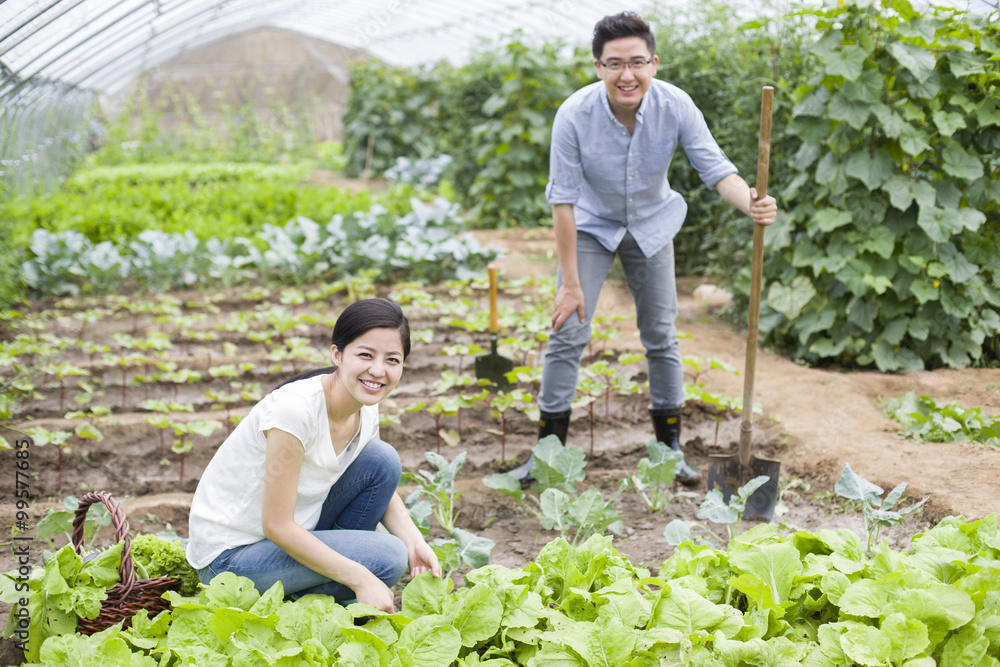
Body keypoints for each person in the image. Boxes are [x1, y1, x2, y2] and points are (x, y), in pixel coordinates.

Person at [511, 12, 777, 484]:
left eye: (637, 62)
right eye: (614, 64)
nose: (626, 75)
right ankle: (547, 453)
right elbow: (563, 202)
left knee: (661, 333)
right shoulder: (574, 114)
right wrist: (570, 285)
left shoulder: (676, 106)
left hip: (652, 226)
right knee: (568, 332)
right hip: (590, 227)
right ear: (598, 67)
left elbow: (717, 171)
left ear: (653, 63)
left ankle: (669, 451)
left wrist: (751, 203)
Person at [186, 298, 440, 612]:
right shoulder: (295, 411)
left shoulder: (366, 408)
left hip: (291, 534)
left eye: (392, 360)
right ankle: (308, 598)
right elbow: (276, 526)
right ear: (337, 354)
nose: (378, 370)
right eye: (365, 355)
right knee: (387, 557)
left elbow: (381, 487)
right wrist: (361, 576)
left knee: (381, 460)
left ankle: (319, 584)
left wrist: (415, 540)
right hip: (230, 560)